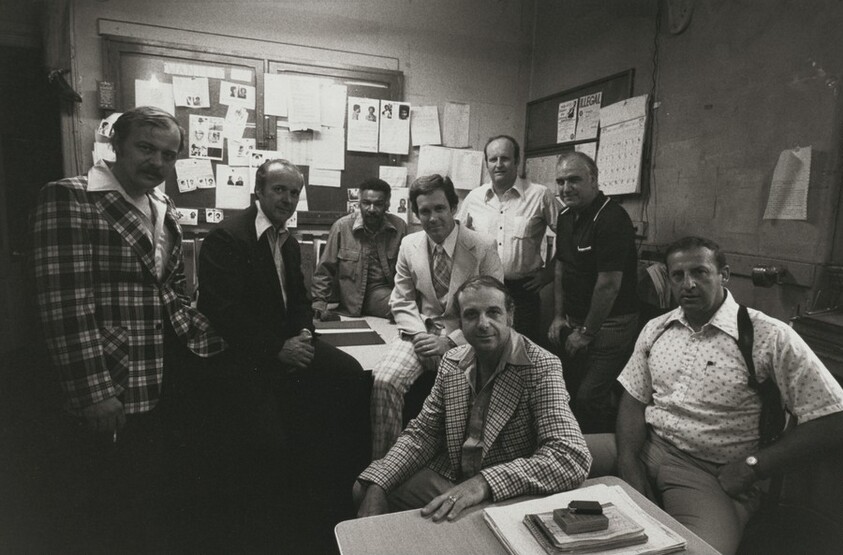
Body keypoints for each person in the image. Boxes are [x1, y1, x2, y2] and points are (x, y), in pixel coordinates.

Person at [31, 106, 227, 551]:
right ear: (115, 145)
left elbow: (171, 286)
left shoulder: (161, 204)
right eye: (145, 148)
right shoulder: (69, 196)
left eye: (169, 155)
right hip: (114, 374)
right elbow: (65, 306)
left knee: (157, 486)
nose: (157, 163)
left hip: (169, 366)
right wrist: (93, 391)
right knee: (114, 498)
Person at [588, 236, 843, 555]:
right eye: (678, 275)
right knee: (554, 457)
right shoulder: (657, 328)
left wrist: (754, 466)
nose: (688, 284)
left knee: (700, 551)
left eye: (700, 272)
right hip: (646, 447)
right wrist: (628, 463)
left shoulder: (767, 336)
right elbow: (634, 398)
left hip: (708, 472)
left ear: (724, 274)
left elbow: (834, 419)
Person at [197, 159, 372, 542]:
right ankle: (272, 524)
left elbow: (298, 298)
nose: (288, 199)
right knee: (269, 443)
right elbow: (224, 314)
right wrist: (278, 349)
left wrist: (305, 336)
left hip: (287, 343)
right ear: (258, 190)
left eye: (295, 192)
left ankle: (342, 493)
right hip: (244, 356)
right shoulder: (227, 238)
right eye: (280, 190)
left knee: (351, 376)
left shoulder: (288, 241)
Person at [355, 276, 591, 519]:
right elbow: (423, 433)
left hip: (506, 493)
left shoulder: (541, 366)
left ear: (510, 316)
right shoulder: (452, 361)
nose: (483, 324)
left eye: (493, 312)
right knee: (365, 490)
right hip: (452, 476)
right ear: (460, 323)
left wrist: (483, 483)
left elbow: (571, 456)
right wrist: (379, 483)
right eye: (471, 315)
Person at [370, 174, 504, 459]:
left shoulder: (483, 246)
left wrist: (452, 342)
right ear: (417, 215)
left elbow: (494, 312)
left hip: (468, 338)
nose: (433, 218)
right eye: (425, 211)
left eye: (439, 208)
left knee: (464, 396)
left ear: (453, 207)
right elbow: (401, 298)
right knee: (384, 380)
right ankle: (385, 469)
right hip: (419, 332)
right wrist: (419, 335)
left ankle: (455, 468)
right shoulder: (409, 245)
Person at [547, 151, 638, 433]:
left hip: (610, 324)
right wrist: (558, 316)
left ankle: (604, 457)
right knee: (566, 392)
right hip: (575, 320)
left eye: (574, 180)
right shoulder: (564, 216)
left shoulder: (612, 218)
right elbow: (561, 268)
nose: (565, 188)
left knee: (589, 397)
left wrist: (586, 333)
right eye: (560, 181)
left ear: (594, 180)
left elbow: (608, 285)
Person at [458, 135, 557, 344]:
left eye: (505, 158)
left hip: (524, 292)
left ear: (517, 161)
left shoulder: (540, 195)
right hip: (482, 292)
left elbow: (569, 237)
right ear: (486, 163)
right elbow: (456, 239)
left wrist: (549, 273)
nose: (499, 164)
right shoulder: (474, 198)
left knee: (522, 348)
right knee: (485, 346)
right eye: (493, 159)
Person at [312, 178, 407, 319]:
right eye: (366, 203)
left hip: (391, 290)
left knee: (417, 303)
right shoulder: (342, 227)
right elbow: (324, 269)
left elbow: (409, 269)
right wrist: (319, 303)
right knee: (402, 308)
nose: (372, 209)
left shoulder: (399, 226)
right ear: (359, 203)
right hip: (355, 295)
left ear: (387, 204)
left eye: (378, 204)